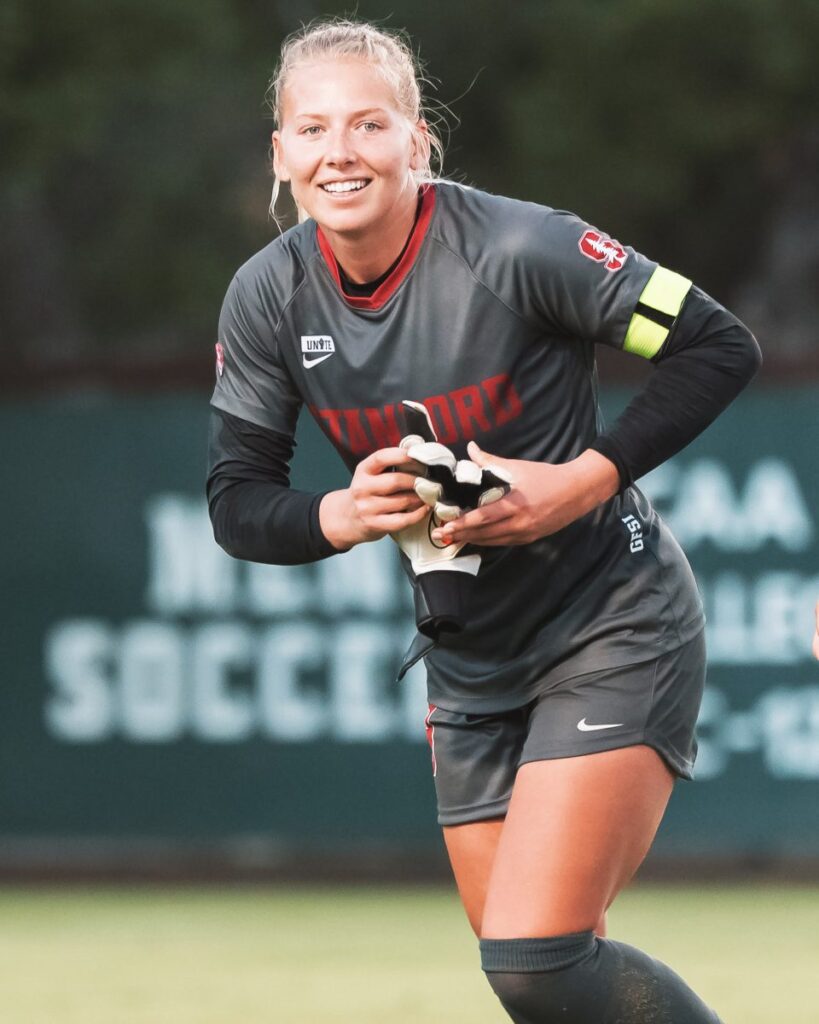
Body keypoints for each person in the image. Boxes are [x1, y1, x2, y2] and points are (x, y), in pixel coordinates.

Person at [207, 19, 761, 1023]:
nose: (343, 152)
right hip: (469, 660)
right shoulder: (269, 297)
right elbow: (238, 501)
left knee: (536, 957)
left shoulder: (519, 246)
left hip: (611, 617)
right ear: (281, 155)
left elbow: (716, 346)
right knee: (546, 986)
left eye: (371, 124)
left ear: (419, 141)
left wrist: (583, 479)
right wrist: (340, 511)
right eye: (314, 129)